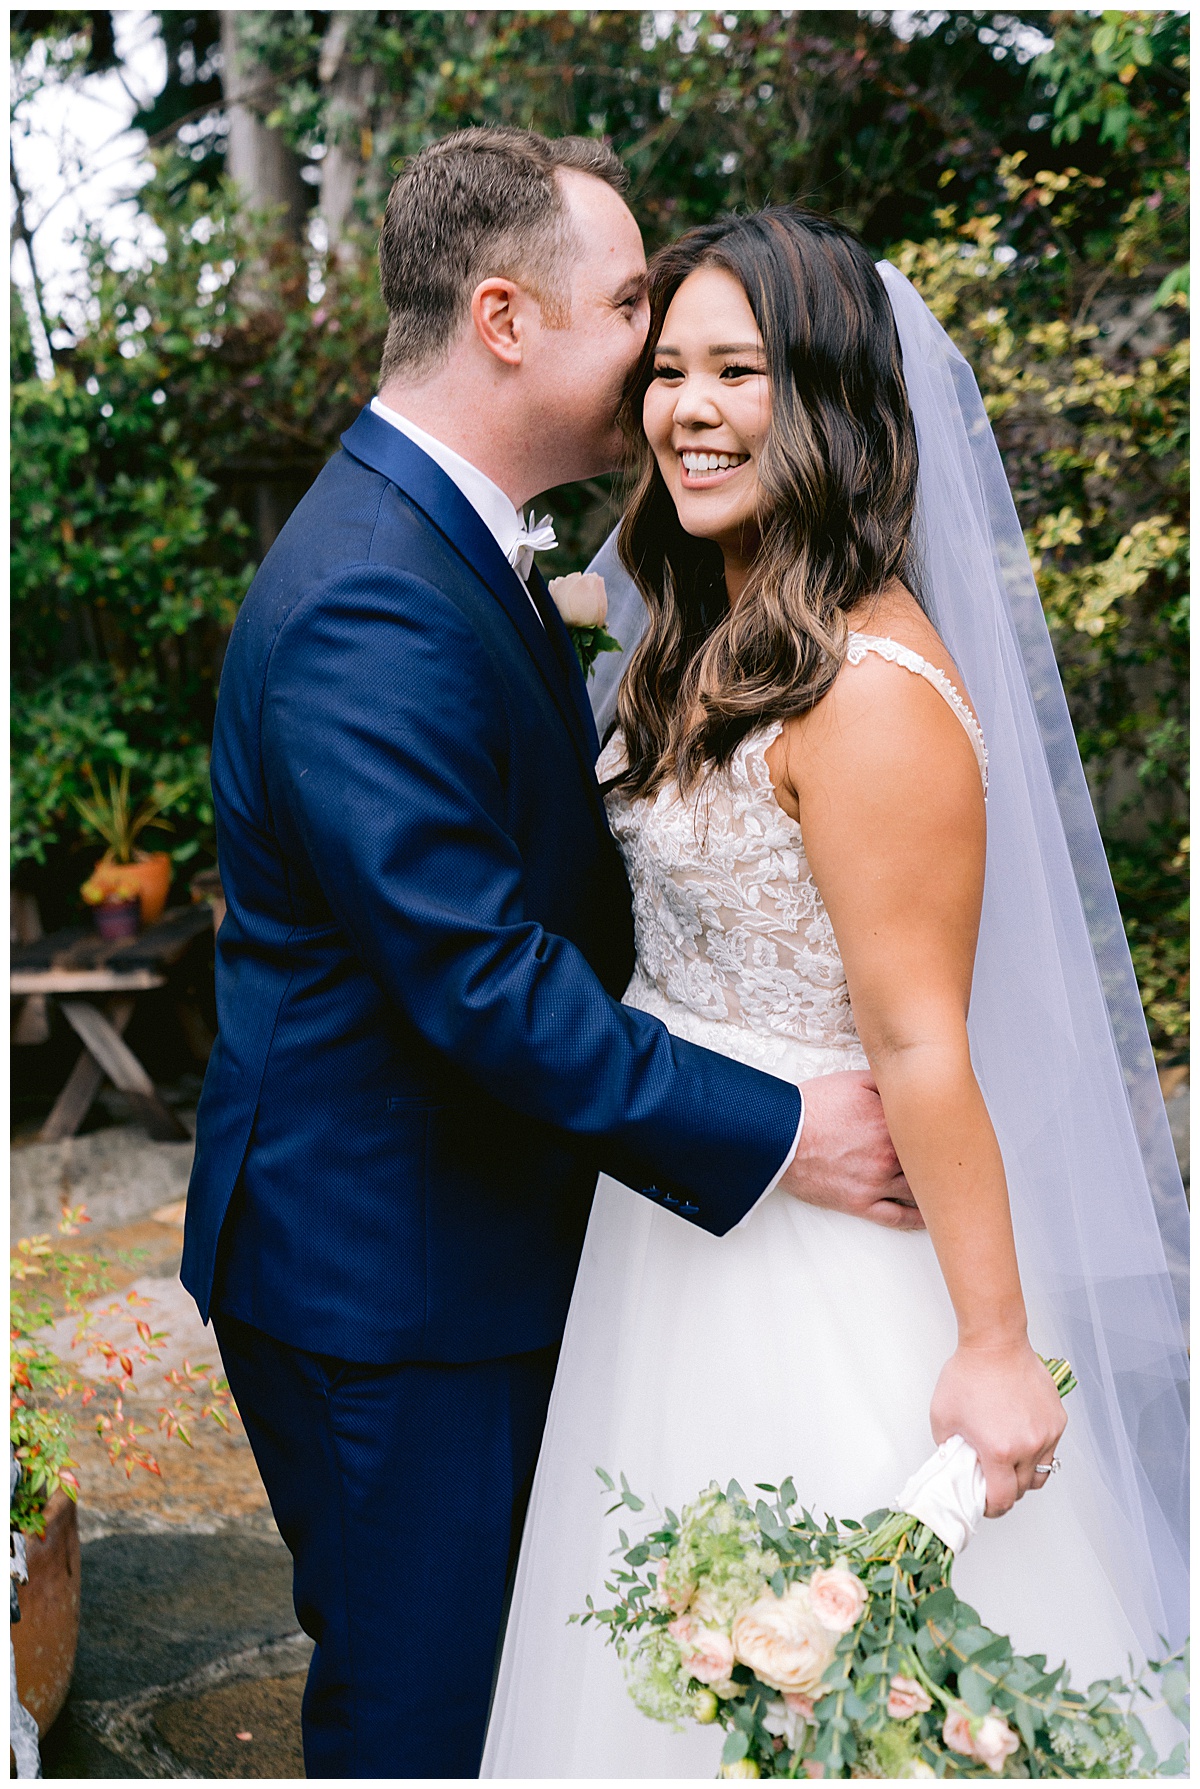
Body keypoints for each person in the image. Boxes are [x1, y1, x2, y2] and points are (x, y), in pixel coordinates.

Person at [180, 132, 925, 1780]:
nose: (661, 364)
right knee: (423, 1714)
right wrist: (787, 1128)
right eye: (635, 311)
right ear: (507, 320)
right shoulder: (371, 594)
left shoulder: (457, 542)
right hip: (389, 1275)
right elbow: (483, 982)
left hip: (472, 1237)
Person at [482, 207, 1189, 1776]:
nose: (690, 409)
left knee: (839, 1700)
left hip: (819, 1247)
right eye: (669, 369)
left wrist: (996, 1345)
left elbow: (925, 1037)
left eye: (742, 370)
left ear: (832, 406)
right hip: (673, 1222)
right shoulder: (710, 628)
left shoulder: (871, 691)